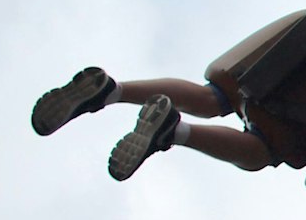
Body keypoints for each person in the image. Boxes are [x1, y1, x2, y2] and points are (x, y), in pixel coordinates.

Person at [33, 67, 273, 181]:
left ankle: (112, 92)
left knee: (212, 97)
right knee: (260, 151)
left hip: (273, 47)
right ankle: (174, 132)